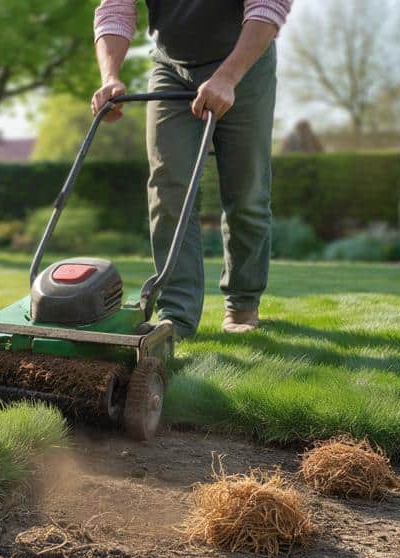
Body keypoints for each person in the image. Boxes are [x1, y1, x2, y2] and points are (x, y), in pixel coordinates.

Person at [91, 0, 292, 335]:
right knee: (168, 189)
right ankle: (176, 315)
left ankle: (242, 305)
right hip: (171, 66)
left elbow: (268, 7)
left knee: (246, 192)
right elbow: (115, 10)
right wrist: (110, 77)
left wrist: (227, 77)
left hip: (244, 60)